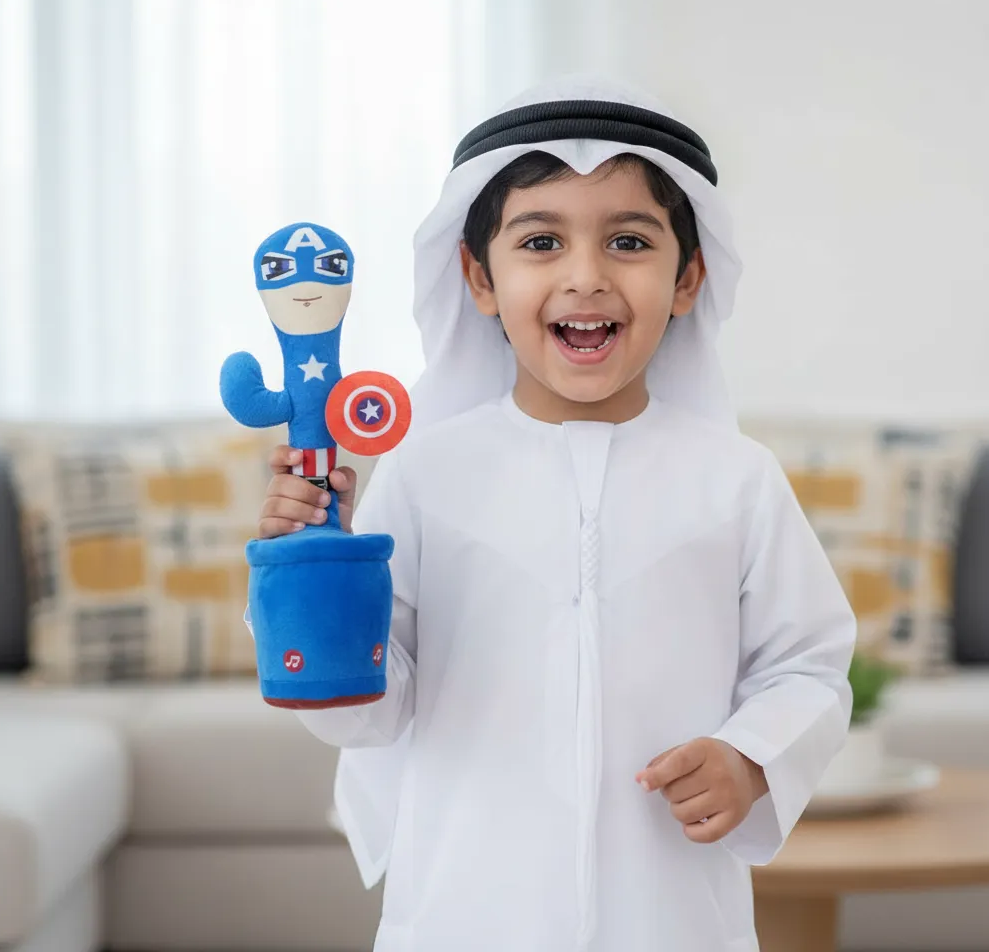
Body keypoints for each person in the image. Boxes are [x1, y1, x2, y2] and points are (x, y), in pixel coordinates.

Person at [252, 75, 857, 951]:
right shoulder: (424, 474)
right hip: (467, 908)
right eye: (541, 241)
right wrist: (315, 585)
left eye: (628, 241)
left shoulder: (736, 479)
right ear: (479, 278)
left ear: (687, 278)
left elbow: (807, 666)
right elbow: (368, 712)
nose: (586, 277)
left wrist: (753, 755)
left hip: (672, 914)